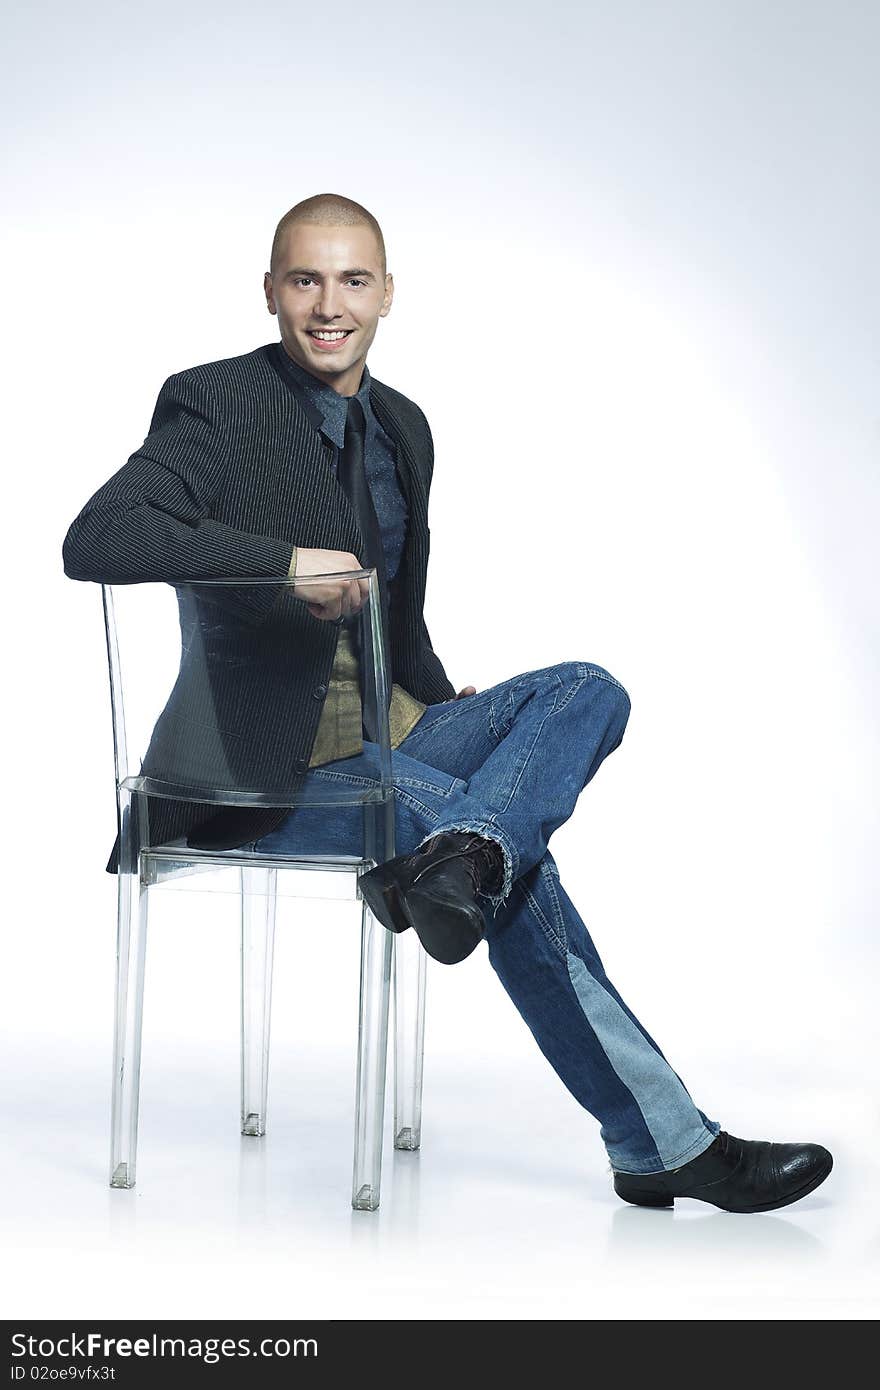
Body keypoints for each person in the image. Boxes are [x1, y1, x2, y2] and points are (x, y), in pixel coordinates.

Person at [63, 192, 833, 1213]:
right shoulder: (216, 405)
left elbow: (399, 609)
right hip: (264, 767)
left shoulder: (403, 427)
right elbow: (97, 538)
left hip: (397, 728)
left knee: (585, 690)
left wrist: (438, 696)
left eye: (350, 280)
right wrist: (277, 565)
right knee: (512, 861)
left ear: (387, 292)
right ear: (269, 293)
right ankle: (660, 1139)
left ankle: (463, 856)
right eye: (304, 280)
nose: (327, 305)